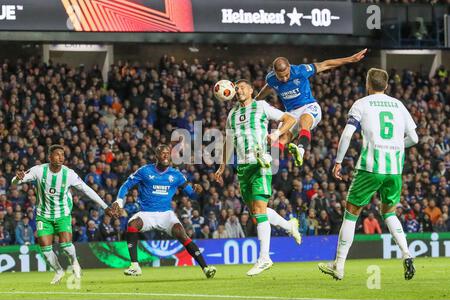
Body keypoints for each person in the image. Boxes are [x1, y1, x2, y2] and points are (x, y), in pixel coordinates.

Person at [318, 68, 418, 281]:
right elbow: (415, 139)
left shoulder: (362, 103)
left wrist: (338, 162)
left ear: (368, 84)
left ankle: (339, 265)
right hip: (394, 170)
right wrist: (397, 146)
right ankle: (407, 253)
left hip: (370, 167)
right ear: (387, 85)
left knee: (351, 213)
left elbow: (347, 134)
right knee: (389, 213)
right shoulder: (399, 105)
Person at [215, 79, 301, 277]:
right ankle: (289, 225)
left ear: (252, 90)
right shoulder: (232, 114)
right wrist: (222, 165)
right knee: (256, 212)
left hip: (260, 163)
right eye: (236, 88)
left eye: (243, 87)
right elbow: (229, 140)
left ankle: (264, 258)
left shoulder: (261, 106)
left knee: (260, 210)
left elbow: (290, 119)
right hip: (243, 168)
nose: (238, 90)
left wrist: (277, 133)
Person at [111, 144, 216, 278]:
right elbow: (126, 185)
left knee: (181, 232)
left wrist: (198, 191)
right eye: (162, 153)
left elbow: (191, 194)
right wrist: (119, 201)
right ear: (156, 156)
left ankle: (206, 268)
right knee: (132, 225)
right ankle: (135, 266)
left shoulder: (176, 175)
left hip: (166, 214)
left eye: (168, 153)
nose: (166, 155)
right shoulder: (145, 171)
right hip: (146, 213)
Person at [11, 144, 111, 284]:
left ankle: (75, 262)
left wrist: (105, 206)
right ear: (49, 157)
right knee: (45, 249)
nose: (61, 157)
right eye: (57, 154)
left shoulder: (69, 174)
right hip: (43, 215)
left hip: (62, 212)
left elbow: (86, 190)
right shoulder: (39, 170)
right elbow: (14, 182)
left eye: (63, 155)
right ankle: (58, 271)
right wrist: (17, 178)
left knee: (65, 245)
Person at [256, 49, 367, 167]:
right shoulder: (271, 78)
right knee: (283, 138)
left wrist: (350, 59)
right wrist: (255, 100)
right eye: (280, 77)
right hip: (291, 113)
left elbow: (325, 64)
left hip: (308, 106)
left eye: (287, 75)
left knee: (304, 120)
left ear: (289, 67)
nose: (284, 79)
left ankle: (301, 150)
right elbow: (268, 87)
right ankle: (268, 158)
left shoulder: (300, 70)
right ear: (274, 72)